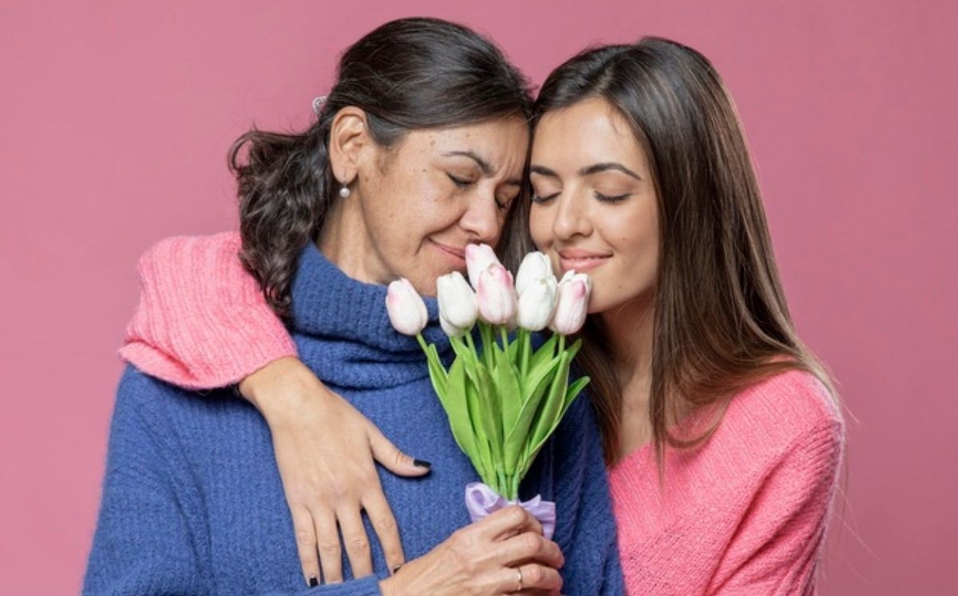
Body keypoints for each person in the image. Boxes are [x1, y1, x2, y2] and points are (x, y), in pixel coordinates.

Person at [122, 37, 845, 594]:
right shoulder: (511, 353)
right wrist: (287, 389)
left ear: (692, 204)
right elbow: (195, 267)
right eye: (542, 192)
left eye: (611, 193)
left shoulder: (558, 395)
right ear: (351, 147)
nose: (560, 226)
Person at [84, 17, 624, 596]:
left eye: (506, 197)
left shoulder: (530, 383)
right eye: (458, 177)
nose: (487, 224)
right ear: (351, 148)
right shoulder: (177, 395)